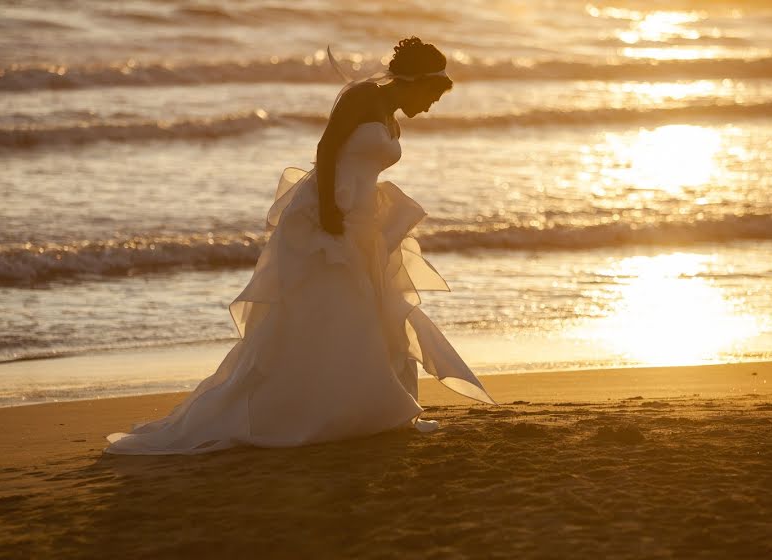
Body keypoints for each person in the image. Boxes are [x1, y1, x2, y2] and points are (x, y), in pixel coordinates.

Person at [105, 37, 494, 455]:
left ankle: (369, 409)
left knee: (364, 314)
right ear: (416, 82)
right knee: (329, 311)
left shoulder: (390, 110)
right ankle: (305, 412)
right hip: (328, 217)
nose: (431, 106)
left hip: (364, 223)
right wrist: (329, 210)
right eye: (433, 96)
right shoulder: (362, 97)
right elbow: (326, 151)